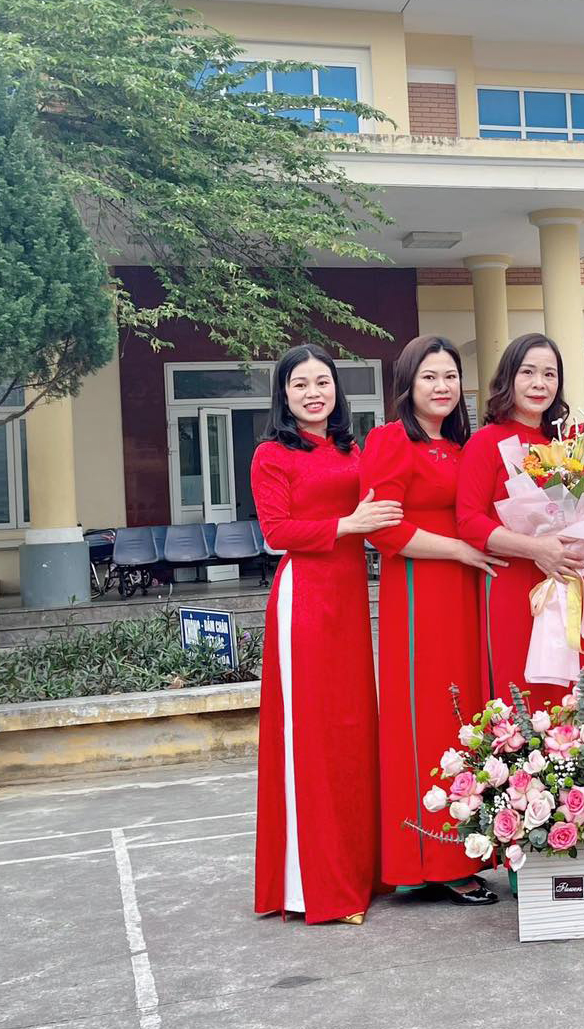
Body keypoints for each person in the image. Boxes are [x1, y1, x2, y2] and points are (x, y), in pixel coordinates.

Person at [251, 344, 402, 925]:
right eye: (300, 385)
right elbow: (276, 532)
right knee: (312, 735)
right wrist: (349, 524)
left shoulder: (351, 448)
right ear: (283, 395)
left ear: (336, 389)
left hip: (349, 600)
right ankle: (315, 884)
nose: (313, 393)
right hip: (306, 601)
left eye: (322, 382)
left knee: (353, 731)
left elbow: (382, 506)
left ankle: (360, 869)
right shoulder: (271, 454)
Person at [361, 336, 505, 907]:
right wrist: (459, 550)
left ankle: (470, 847)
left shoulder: (464, 445)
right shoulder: (389, 441)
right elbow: (384, 529)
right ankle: (432, 858)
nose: (442, 387)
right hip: (421, 591)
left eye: (450, 376)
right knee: (429, 717)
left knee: (469, 715)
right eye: (429, 377)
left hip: (470, 591)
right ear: (407, 384)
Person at [455, 333, 584, 707]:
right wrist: (536, 548)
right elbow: (469, 521)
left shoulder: (568, 444)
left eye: (550, 374)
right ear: (509, 377)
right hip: (511, 581)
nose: (539, 383)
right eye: (528, 372)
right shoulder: (485, 443)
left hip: (565, 579)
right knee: (517, 685)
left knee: (570, 692)